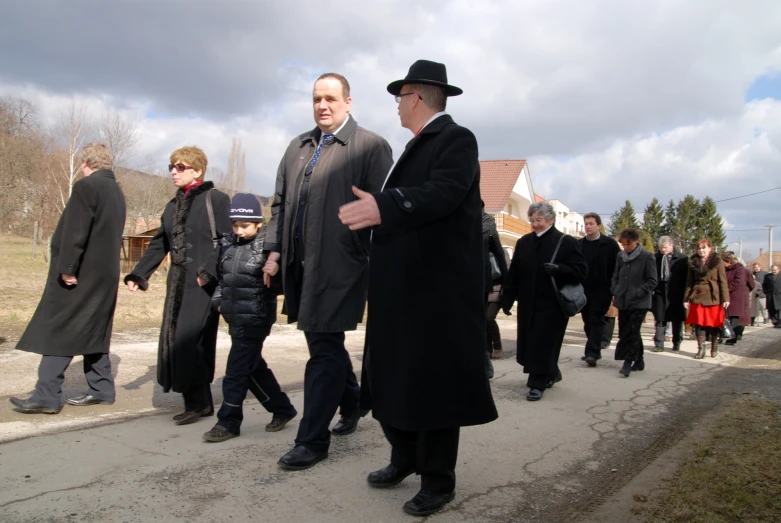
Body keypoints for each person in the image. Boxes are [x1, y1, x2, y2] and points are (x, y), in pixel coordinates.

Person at [338, 59, 498, 517]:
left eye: (399, 97)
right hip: (402, 293)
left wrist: (386, 206)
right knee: (393, 377)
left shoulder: (456, 139)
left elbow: (444, 193)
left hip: (436, 295)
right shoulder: (414, 146)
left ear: (416, 97)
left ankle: (438, 481)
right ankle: (404, 457)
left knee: (433, 386)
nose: (396, 106)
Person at [264, 73, 393, 471]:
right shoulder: (298, 146)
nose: (323, 105)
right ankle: (353, 401)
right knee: (324, 344)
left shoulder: (370, 146)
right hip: (300, 265)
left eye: (331, 99)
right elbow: (281, 205)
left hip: (342, 265)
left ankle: (312, 441)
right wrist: (272, 251)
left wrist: (358, 253)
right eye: (317, 98)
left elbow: (380, 211)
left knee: (322, 348)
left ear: (348, 102)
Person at [10, 143, 126, 414]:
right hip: (105, 277)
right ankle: (102, 389)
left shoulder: (87, 187)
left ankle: (47, 395)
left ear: (86, 164)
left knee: (62, 329)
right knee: (95, 330)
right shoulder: (117, 192)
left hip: (82, 275)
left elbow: (76, 231)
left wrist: (68, 268)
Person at [125, 146, 231, 425]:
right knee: (175, 340)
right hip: (177, 283)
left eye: (180, 167)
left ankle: (199, 403)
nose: (174, 171)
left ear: (197, 170)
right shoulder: (173, 205)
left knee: (192, 341)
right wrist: (139, 274)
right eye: (172, 166)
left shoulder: (216, 200)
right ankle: (197, 403)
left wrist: (208, 271)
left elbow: (227, 240)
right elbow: (160, 243)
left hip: (203, 284)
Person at [202, 194, 297, 443]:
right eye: (235, 225)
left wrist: (277, 271)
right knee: (253, 368)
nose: (239, 231)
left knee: (235, 372)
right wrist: (218, 303)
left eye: (244, 226)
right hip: (234, 318)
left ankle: (228, 422)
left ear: (258, 223)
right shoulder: (228, 244)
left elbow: (281, 284)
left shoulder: (270, 247)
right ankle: (283, 409)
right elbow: (222, 279)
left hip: (256, 318)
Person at [501, 201, 588, 400]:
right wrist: (507, 298)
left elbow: (582, 271)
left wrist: (560, 270)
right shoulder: (523, 242)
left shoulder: (565, 242)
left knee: (543, 341)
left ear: (550, 219)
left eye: (539, 220)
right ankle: (550, 371)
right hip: (528, 302)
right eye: (532, 220)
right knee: (530, 342)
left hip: (552, 304)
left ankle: (536, 383)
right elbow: (514, 273)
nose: (535, 224)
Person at [611, 228, 657, 377]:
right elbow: (616, 276)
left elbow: (652, 281)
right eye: (623, 244)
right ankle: (640, 360)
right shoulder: (620, 256)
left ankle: (628, 362)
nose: (625, 247)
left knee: (632, 331)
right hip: (623, 300)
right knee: (627, 331)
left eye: (628, 244)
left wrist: (638, 292)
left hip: (640, 302)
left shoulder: (647, 257)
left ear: (636, 242)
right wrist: (615, 290)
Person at [577, 212, 619, 366]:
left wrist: (614, 288)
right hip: (583, 290)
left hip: (602, 290)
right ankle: (593, 348)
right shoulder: (580, 245)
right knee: (587, 321)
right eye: (586, 224)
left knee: (596, 319)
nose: (587, 226)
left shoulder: (609, 244)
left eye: (591, 224)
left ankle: (592, 353)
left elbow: (617, 267)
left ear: (599, 226)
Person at [684, 239, 730, 358]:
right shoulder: (693, 262)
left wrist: (726, 299)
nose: (701, 251)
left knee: (713, 324)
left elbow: (723, 281)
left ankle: (714, 346)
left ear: (709, 248)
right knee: (699, 324)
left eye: (704, 248)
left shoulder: (717, 261)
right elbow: (689, 282)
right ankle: (701, 349)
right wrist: (686, 299)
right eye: (699, 248)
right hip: (697, 295)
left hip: (713, 296)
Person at [482, 200, 508, 376]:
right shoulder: (452, 219)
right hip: (456, 279)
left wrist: (507, 285)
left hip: (480, 281)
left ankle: (484, 360)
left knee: (482, 321)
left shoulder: (487, 223)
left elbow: (498, 252)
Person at [650, 236, 688, 352]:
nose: (663, 250)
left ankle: (676, 343)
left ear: (671, 246)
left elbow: (686, 278)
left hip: (676, 294)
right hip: (660, 293)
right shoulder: (655, 258)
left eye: (665, 248)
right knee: (660, 319)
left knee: (677, 320)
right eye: (661, 248)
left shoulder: (682, 259)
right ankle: (659, 344)